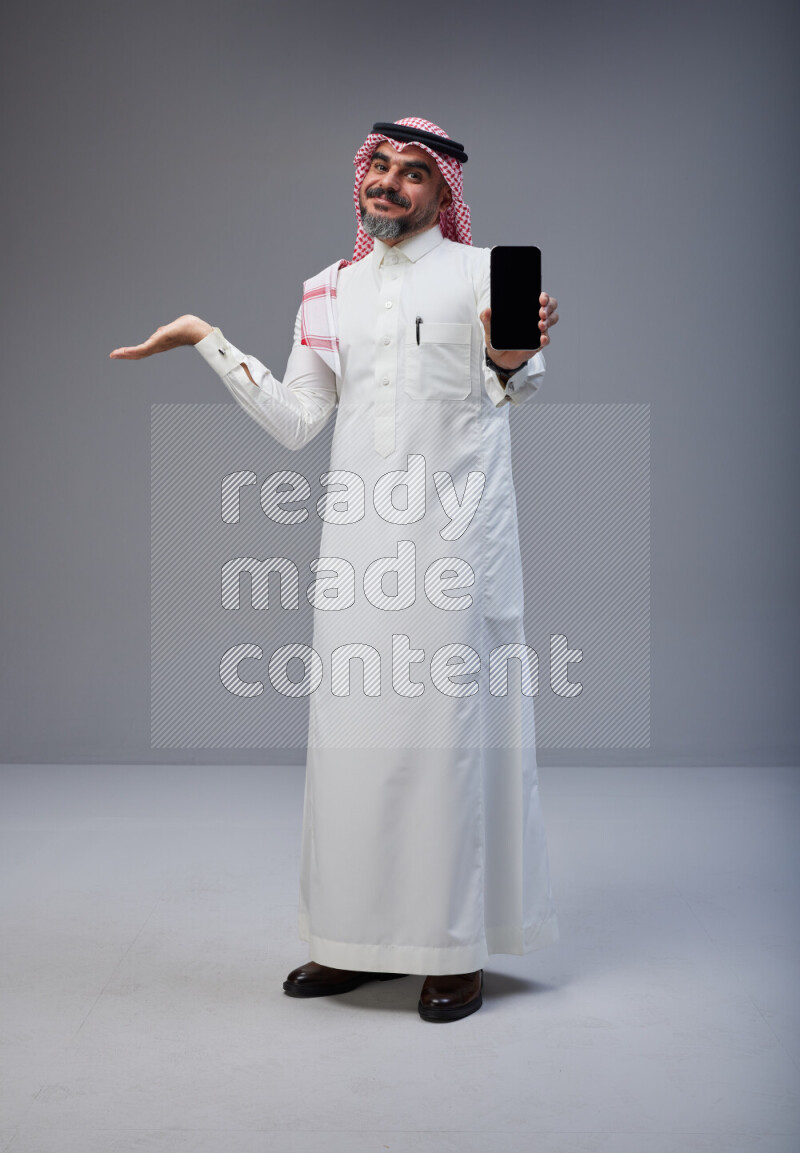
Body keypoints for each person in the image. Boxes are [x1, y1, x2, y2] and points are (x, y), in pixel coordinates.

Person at [111, 117, 560, 1023]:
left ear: (444, 194)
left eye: (413, 175)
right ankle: (352, 942)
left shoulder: (480, 276)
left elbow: (520, 380)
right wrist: (206, 337)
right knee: (351, 747)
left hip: (454, 549)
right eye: (380, 169)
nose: (390, 184)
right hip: (357, 553)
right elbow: (293, 422)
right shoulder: (328, 290)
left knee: (444, 747)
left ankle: (451, 948)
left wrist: (510, 357)